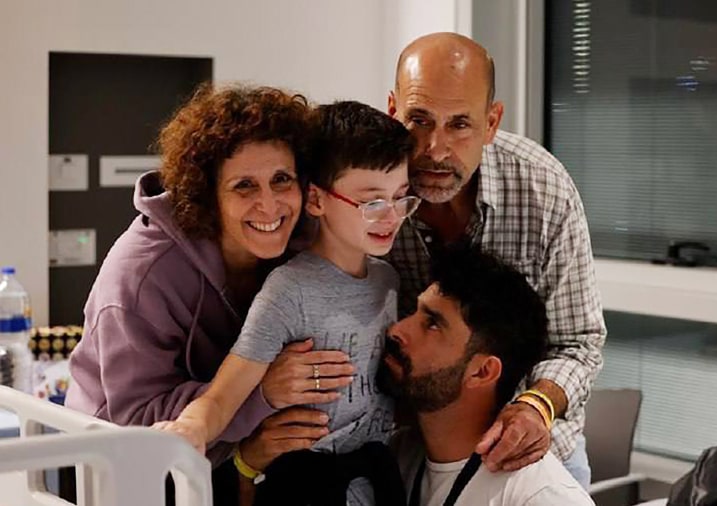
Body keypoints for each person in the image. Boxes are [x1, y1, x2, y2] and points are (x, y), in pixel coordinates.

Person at [64, 84, 353, 504]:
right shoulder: (142, 275)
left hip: (227, 462)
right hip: (120, 473)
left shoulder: (302, 242)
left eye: (281, 180)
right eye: (244, 186)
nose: (270, 205)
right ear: (208, 195)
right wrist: (262, 392)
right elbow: (136, 425)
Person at [155, 100, 419, 506]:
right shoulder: (289, 290)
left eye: (401, 198)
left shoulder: (388, 279)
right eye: (372, 203)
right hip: (303, 488)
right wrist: (191, 427)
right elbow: (224, 395)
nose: (391, 217)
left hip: (376, 481)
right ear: (316, 200)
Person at [386, 32, 606, 487]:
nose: (435, 149)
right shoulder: (365, 190)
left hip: (532, 454)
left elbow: (578, 342)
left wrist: (535, 406)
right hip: (411, 453)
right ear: (392, 111)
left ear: (491, 121)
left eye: (460, 124)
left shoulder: (542, 189)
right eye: (419, 120)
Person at [379, 245, 594, 505]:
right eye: (414, 312)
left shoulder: (541, 496)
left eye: (433, 324)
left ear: (482, 372)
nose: (397, 330)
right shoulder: (398, 456)